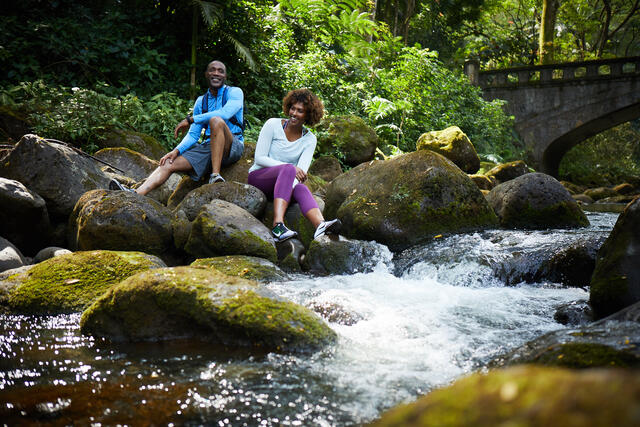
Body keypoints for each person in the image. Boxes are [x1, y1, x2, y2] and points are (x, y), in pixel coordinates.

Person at [109, 60, 244, 194]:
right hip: (208, 148)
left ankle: (215, 176)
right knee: (168, 162)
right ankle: (135, 194)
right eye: (212, 70)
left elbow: (225, 114)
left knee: (216, 121)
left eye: (220, 71)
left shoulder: (235, 92)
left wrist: (190, 119)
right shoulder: (201, 101)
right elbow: (193, 135)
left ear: (225, 76)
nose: (216, 73)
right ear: (206, 74)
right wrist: (176, 151)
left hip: (231, 145)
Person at [248, 89, 341, 242]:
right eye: (292, 108)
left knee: (302, 188)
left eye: (300, 111)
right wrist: (289, 169)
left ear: (308, 115)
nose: (294, 113)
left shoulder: (310, 139)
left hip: (283, 186)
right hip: (260, 177)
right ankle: (278, 226)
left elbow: (301, 173)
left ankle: (320, 225)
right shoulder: (272, 124)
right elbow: (260, 158)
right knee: (289, 169)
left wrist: (289, 181)